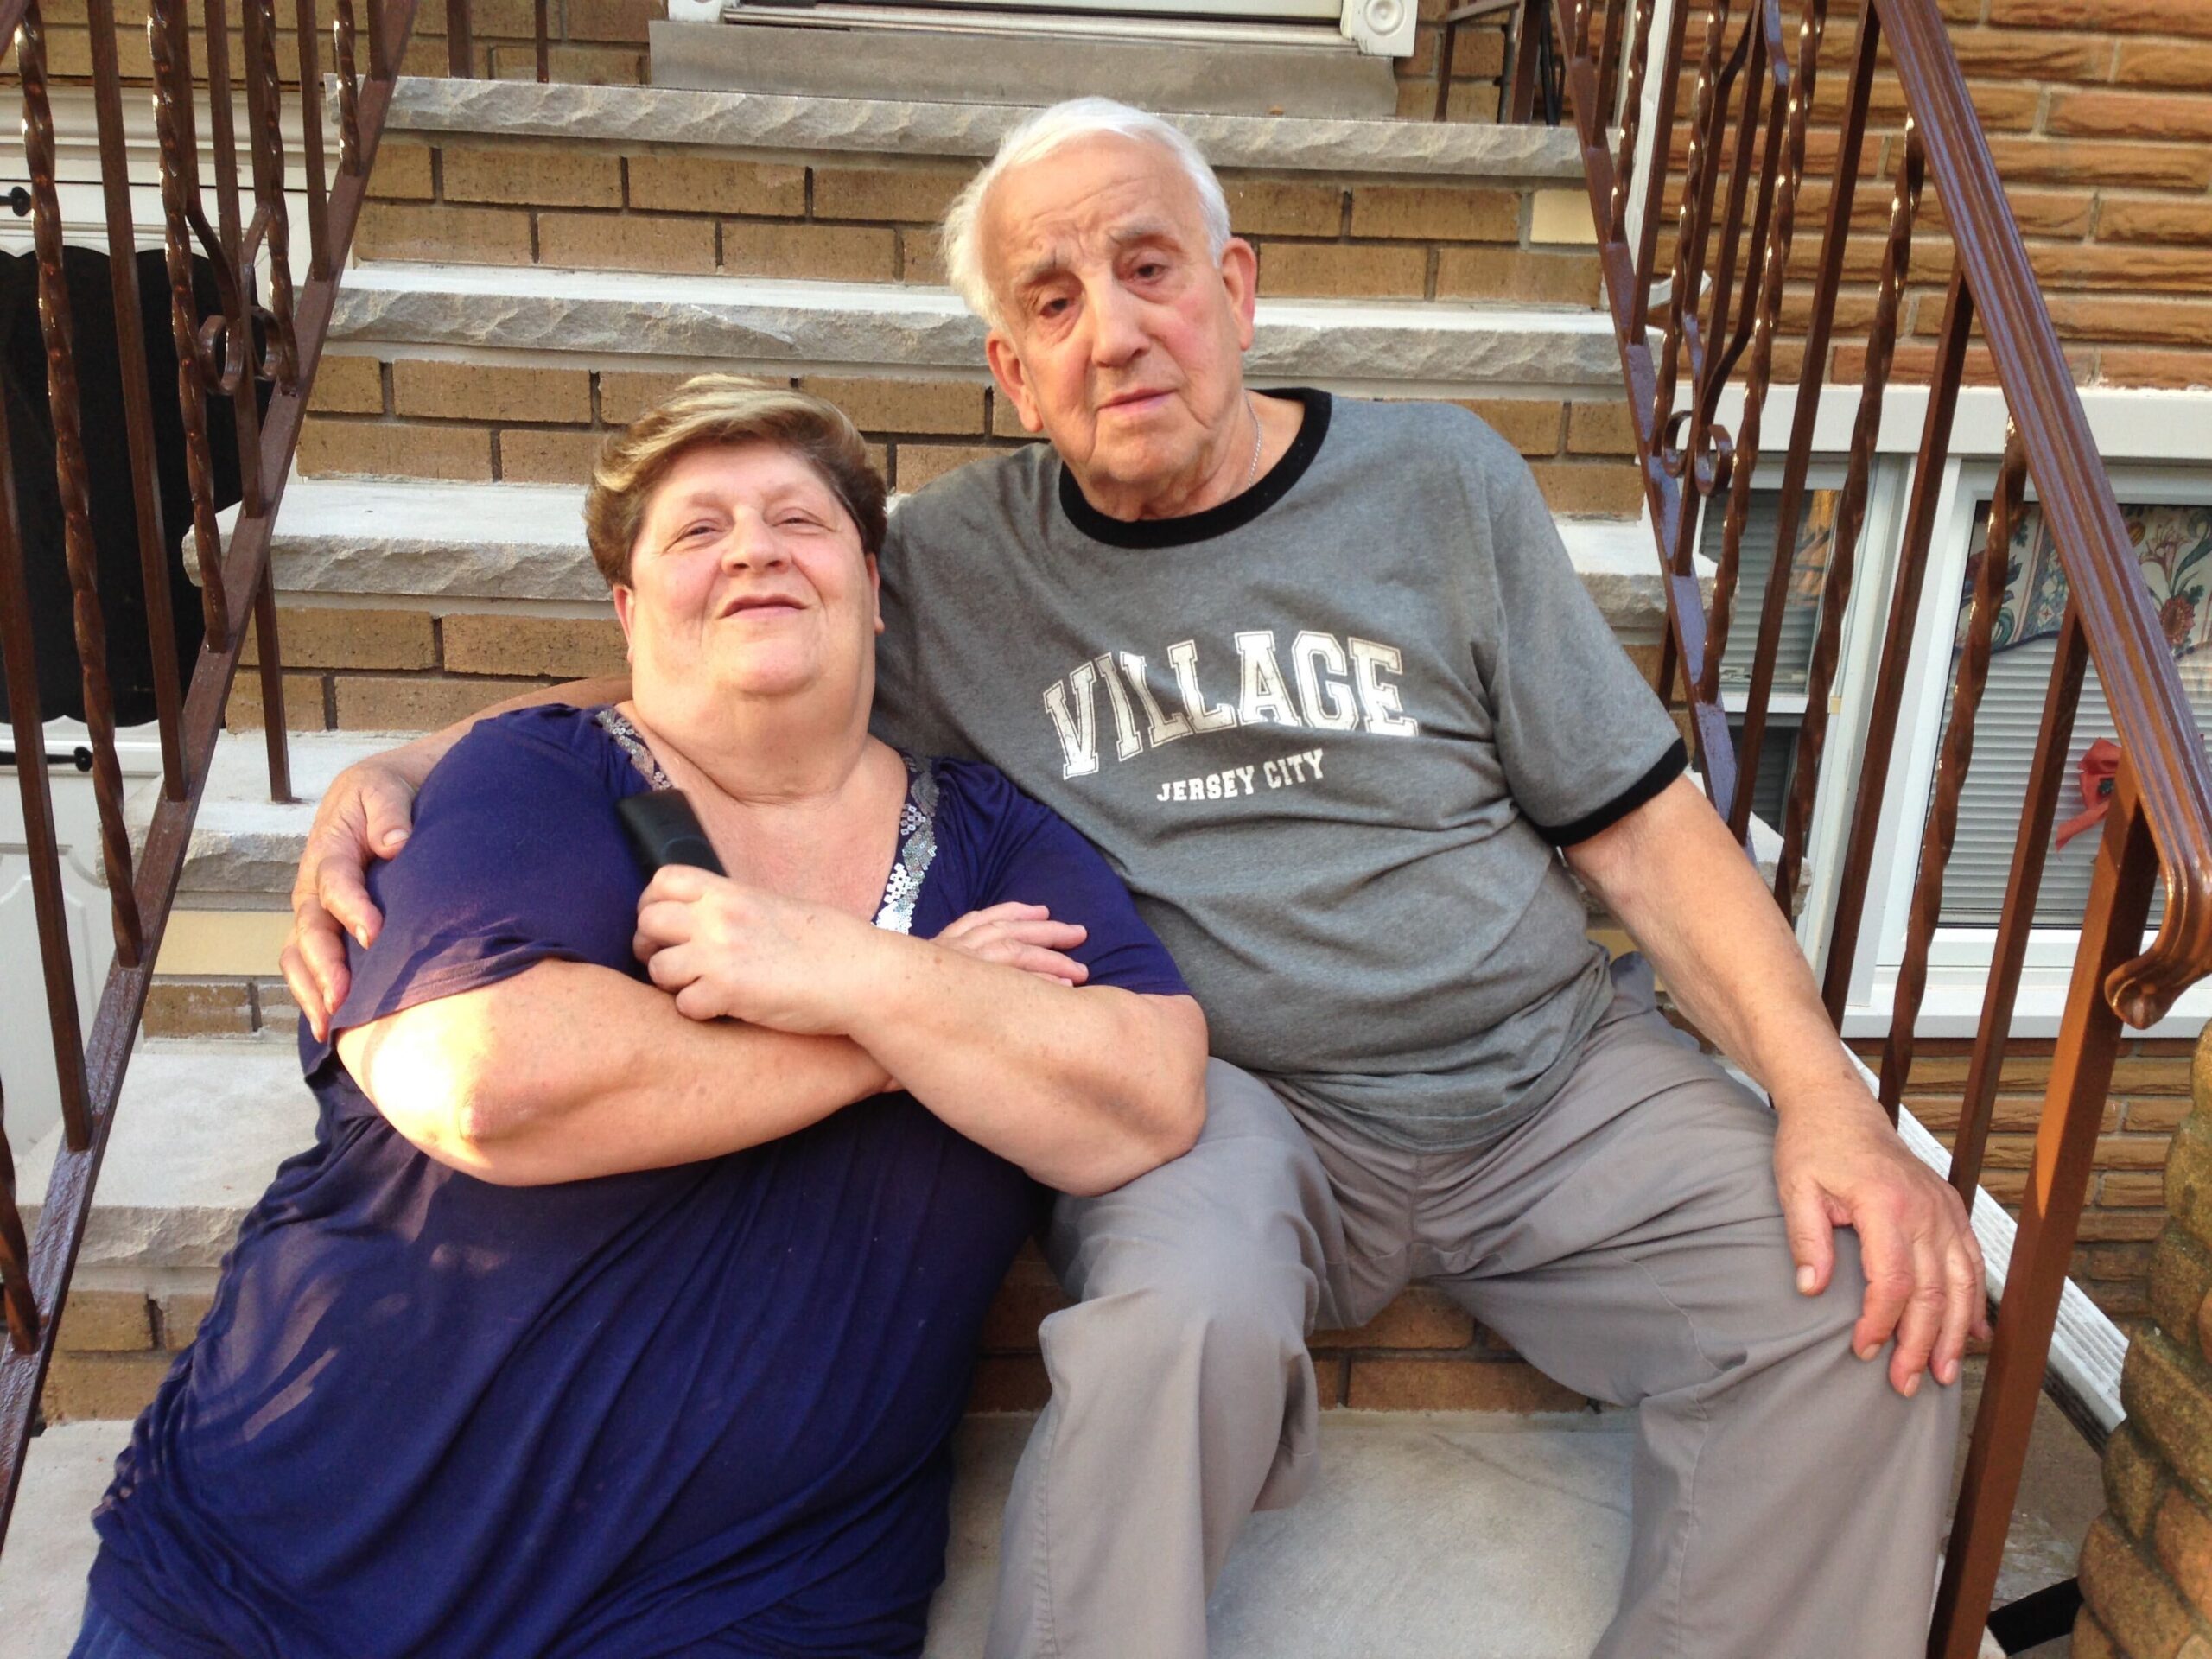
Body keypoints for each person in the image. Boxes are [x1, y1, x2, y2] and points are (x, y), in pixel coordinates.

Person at [284, 101, 1987, 1658]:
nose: (1109, 328)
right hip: (1223, 1103)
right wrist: (410, 772)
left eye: (1145, 266)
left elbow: (1639, 822)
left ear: (1233, 292)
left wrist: (1815, 1094)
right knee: (1176, 1332)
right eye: (1047, 301)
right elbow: (704, 671)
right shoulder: (949, 565)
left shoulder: (1438, 484)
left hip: (1550, 1077)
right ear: (1009, 375)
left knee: (1865, 1306)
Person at [73, 378, 1206, 1658]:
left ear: (876, 591)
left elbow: (1145, 1094)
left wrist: (846, 969)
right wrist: (907, 1027)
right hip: (285, 1577)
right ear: (627, 609)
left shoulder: (995, 839)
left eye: (800, 520)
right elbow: (489, 1080)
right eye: (696, 532)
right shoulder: (537, 773)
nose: (755, 549)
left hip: (744, 1606)